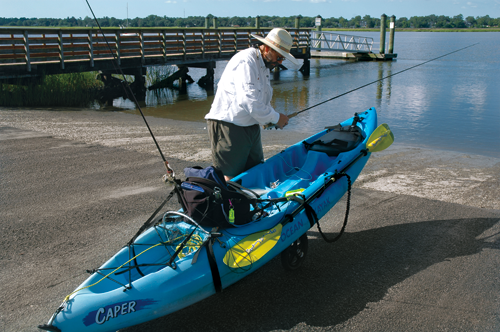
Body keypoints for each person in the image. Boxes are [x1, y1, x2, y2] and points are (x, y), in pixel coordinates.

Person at [205, 28, 300, 181]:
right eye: (279, 56)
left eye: (283, 58)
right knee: (231, 178)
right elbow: (248, 99)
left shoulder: (264, 64)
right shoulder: (246, 60)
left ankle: (250, 205)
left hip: (250, 127)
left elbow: (261, 100)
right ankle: (230, 205)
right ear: (267, 48)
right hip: (229, 125)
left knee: (256, 172)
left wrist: (268, 119)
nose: (280, 62)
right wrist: (276, 118)